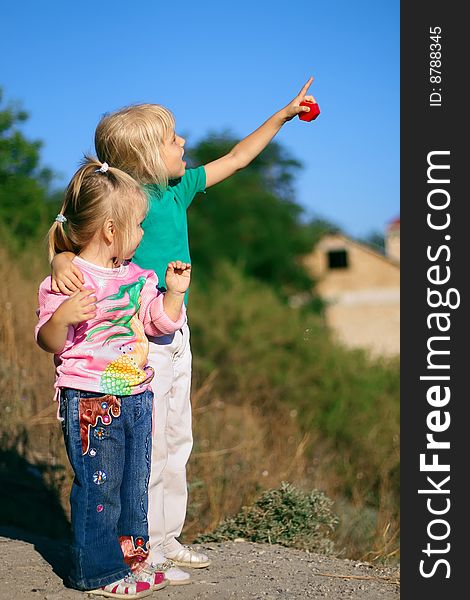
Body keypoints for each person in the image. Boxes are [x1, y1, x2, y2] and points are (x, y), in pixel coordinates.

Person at [51, 78, 318, 583]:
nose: (183, 143)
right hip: (132, 346)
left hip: (175, 333)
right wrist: (63, 256)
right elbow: (69, 233)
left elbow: (238, 158)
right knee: (143, 449)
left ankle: (166, 539)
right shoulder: (122, 202)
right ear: (147, 155)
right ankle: (140, 549)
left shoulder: (179, 188)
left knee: (177, 441)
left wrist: (281, 118)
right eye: (173, 138)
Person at [36, 158, 192, 597]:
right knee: (100, 491)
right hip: (90, 399)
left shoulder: (138, 277)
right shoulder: (66, 280)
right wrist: (62, 318)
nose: (143, 234)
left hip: (137, 396)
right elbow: (48, 341)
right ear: (110, 230)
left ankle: (132, 563)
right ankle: (98, 573)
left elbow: (157, 323)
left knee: (132, 488)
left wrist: (174, 295)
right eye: (138, 225)